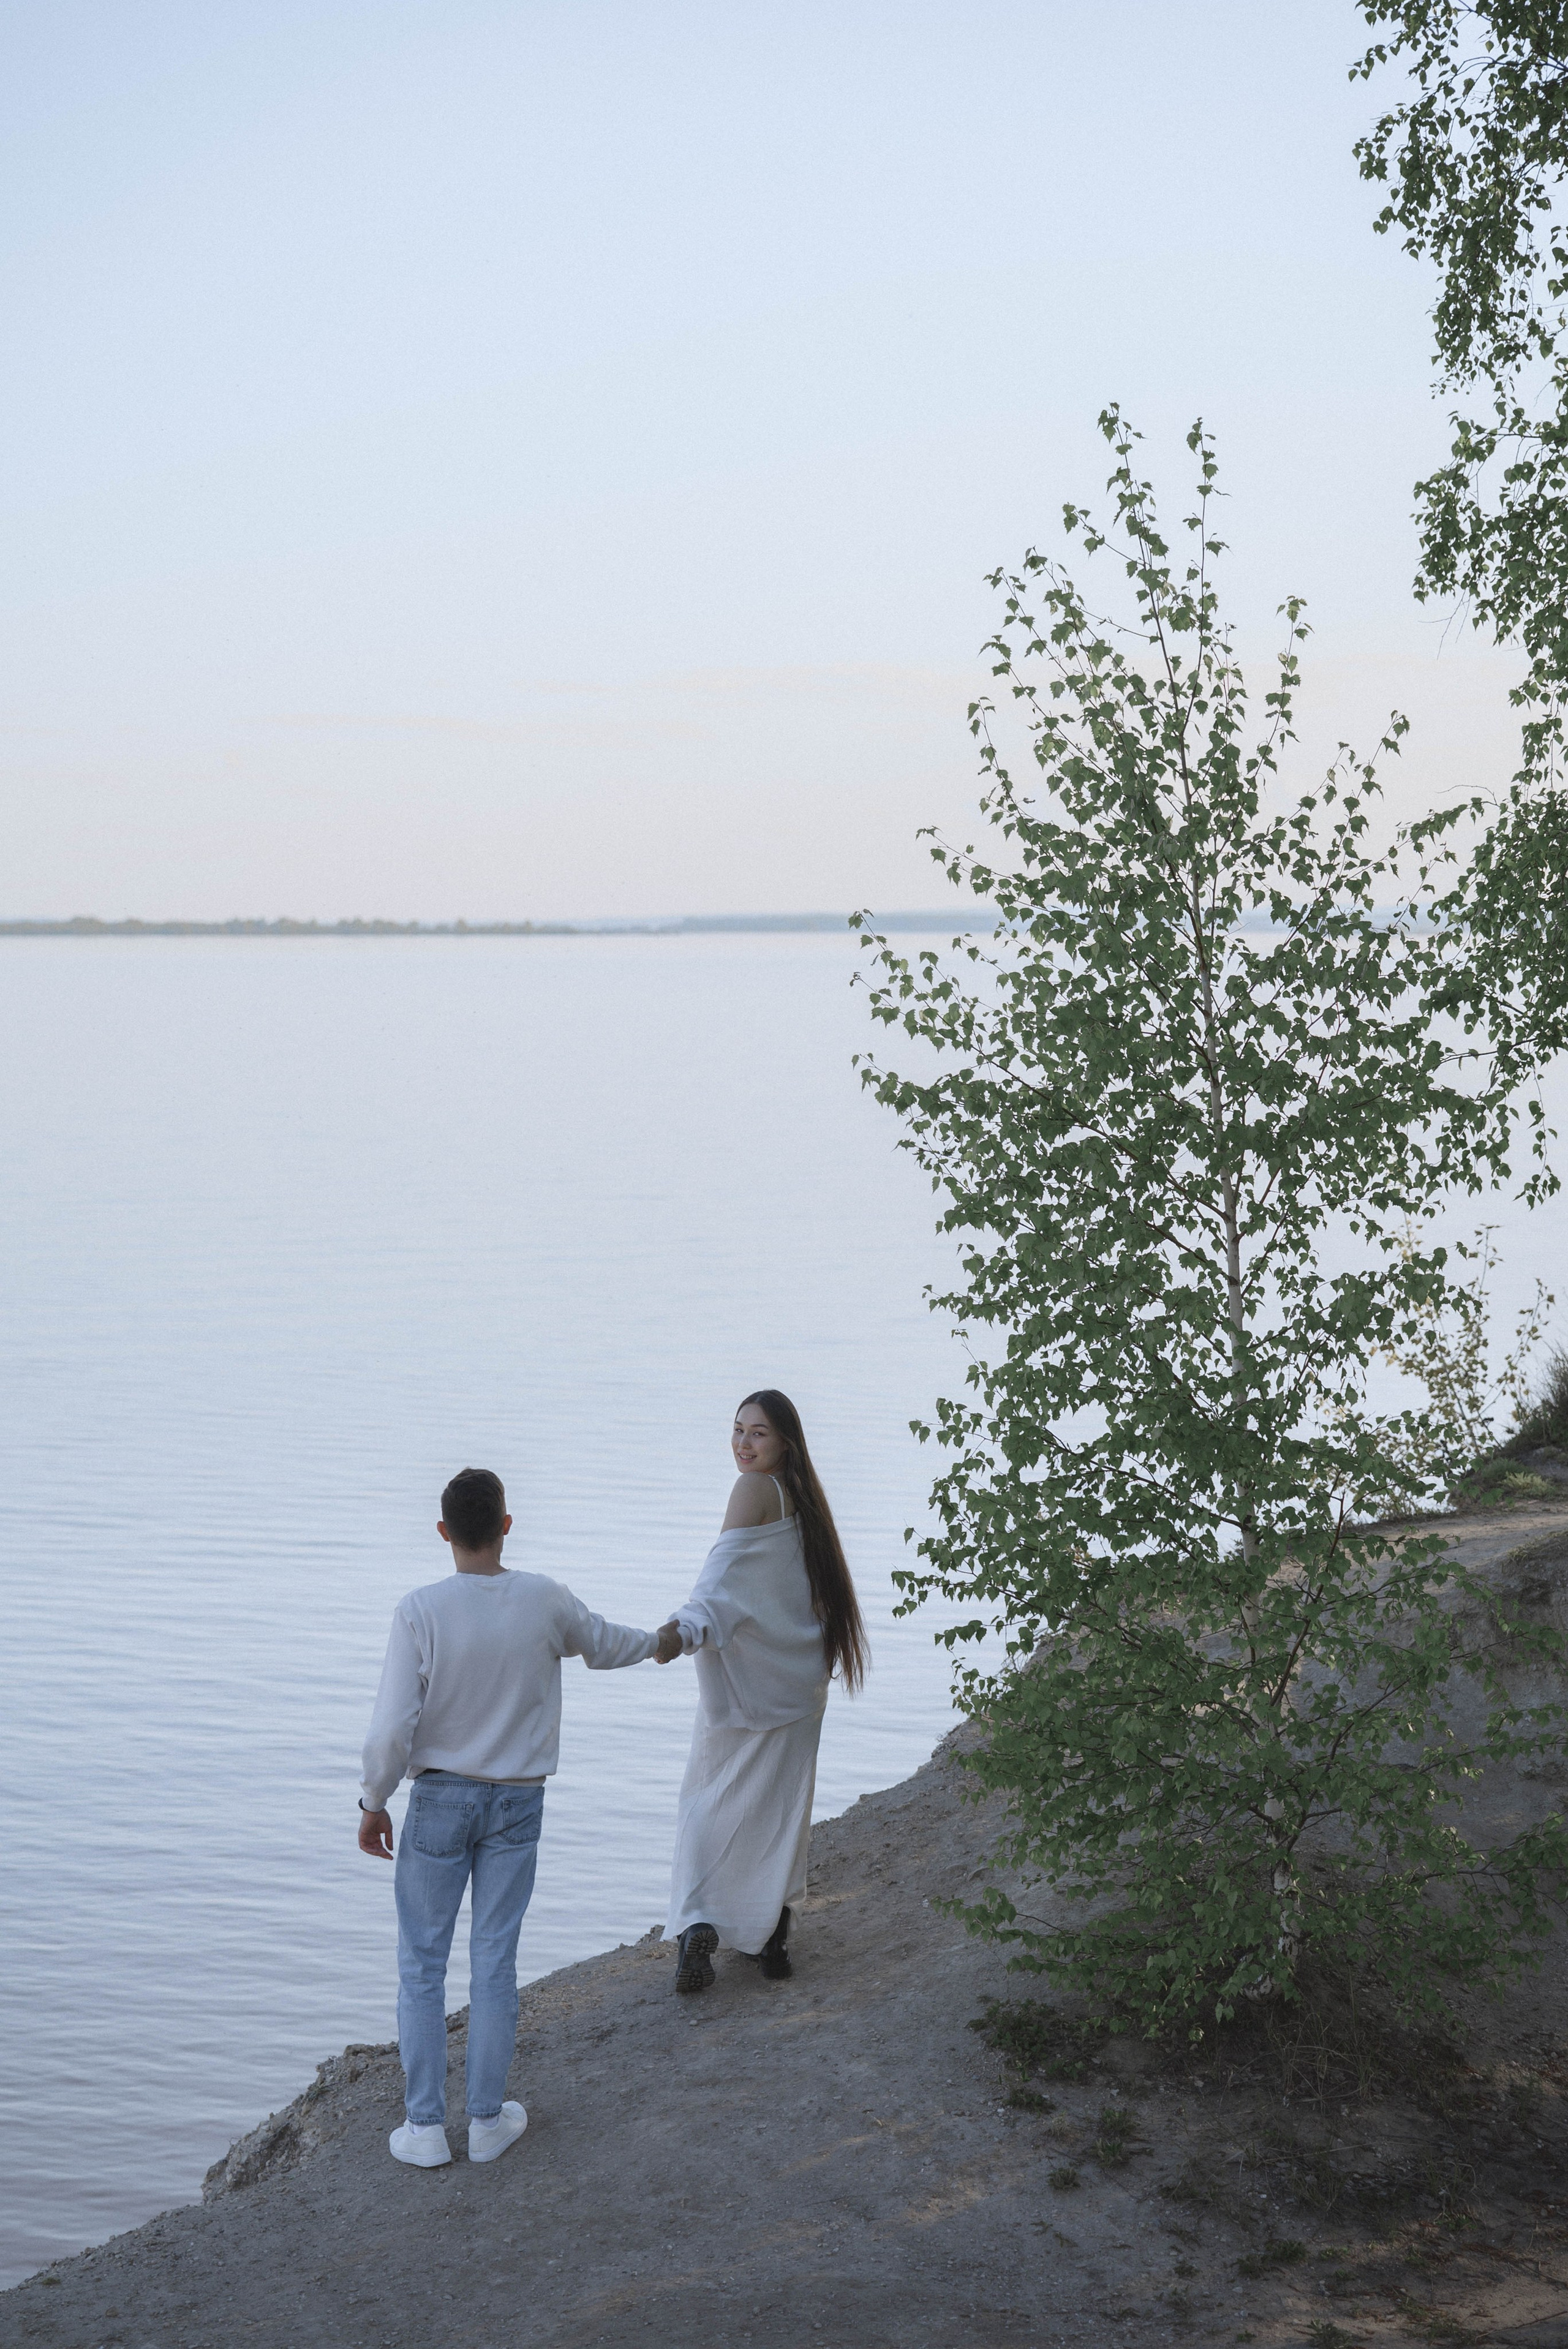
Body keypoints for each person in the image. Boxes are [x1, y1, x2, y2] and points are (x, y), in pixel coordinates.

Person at [358, 1465, 680, 2169]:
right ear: (506, 1524)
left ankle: (423, 2129)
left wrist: (373, 1801)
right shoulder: (543, 1598)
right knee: (494, 1959)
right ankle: (484, 2120)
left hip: (439, 1799)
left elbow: (391, 1729)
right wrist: (664, 1641)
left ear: (443, 1531)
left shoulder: (419, 1610)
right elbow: (603, 1643)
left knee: (421, 1963)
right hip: (517, 1801)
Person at [661, 1390, 867, 1994]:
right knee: (779, 1811)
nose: (742, 1444)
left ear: (784, 1443)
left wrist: (684, 1629)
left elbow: (719, 1582)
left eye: (758, 1434)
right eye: (736, 1430)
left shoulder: (753, 1491)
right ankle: (772, 1930)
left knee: (705, 1799)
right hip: (799, 1680)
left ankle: (699, 1919)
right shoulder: (807, 1503)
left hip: (750, 1684)